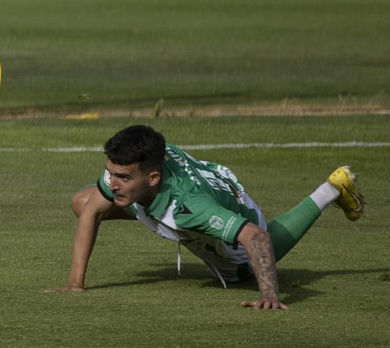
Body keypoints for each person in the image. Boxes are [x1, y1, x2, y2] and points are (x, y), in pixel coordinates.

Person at [51, 123, 364, 310]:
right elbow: (92, 209)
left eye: (121, 176)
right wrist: (75, 283)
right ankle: (153, 212)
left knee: (242, 267)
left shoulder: (189, 208)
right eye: (110, 172)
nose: (112, 181)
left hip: (228, 215)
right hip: (204, 186)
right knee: (84, 202)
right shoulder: (146, 157)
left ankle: (331, 190)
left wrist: (268, 295)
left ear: (153, 177)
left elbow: (256, 237)